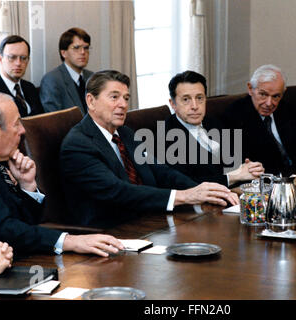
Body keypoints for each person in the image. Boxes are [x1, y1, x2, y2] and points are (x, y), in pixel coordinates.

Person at [59, 70, 239, 227]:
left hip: (149, 217)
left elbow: (160, 171)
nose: (123, 104)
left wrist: (204, 191)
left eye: (126, 98)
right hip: (110, 230)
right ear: (91, 101)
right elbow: (118, 191)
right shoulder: (78, 145)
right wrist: (184, 196)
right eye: (114, 97)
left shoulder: (125, 133)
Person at [0, 93, 125, 257]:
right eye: (16, 124)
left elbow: (25, 223)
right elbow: (2, 230)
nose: (23, 130)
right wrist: (70, 241)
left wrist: (27, 185)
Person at [165, 70, 264, 186]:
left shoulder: (212, 122)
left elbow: (236, 160)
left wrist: (250, 169)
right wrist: (233, 177)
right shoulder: (166, 137)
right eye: (186, 99)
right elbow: (184, 183)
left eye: (199, 98)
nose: (195, 106)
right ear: (173, 104)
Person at [222, 64, 296, 175]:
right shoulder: (233, 116)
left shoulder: (287, 110)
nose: (269, 103)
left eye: (276, 96)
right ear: (250, 89)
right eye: (263, 95)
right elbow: (236, 167)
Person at [0, 35, 44, 117]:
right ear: (0, 59)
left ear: (28, 60)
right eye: (12, 57)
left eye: (23, 58)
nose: (18, 63)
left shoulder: (30, 87)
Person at [40, 27, 93, 114]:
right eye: (76, 48)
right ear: (63, 53)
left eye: (86, 48)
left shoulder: (93, 77)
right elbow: (55, 119)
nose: (83, 52)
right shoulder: (52, 80)